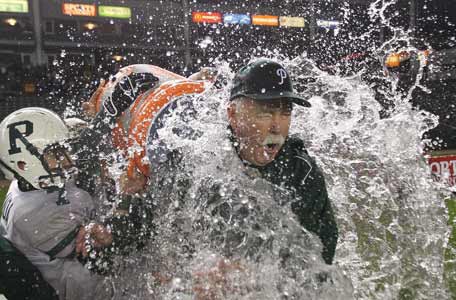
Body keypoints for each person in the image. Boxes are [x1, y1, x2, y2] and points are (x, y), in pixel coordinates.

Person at [114, 58, 339, 299]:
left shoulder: (300, 172)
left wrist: (255, 276)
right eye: (265, 113)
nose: (277, 127)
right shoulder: (198, 156)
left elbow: (317, 259)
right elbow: (154, 221)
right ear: (232, 114)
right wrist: (112, 233)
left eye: (285, 113)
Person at [0, 107, 113, 300]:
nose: (68, 159)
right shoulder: (30, 215)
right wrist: (125, 196)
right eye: (56, 153)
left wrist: (107, 113)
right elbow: (102, 257)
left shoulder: (30, 183)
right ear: (23, 164)